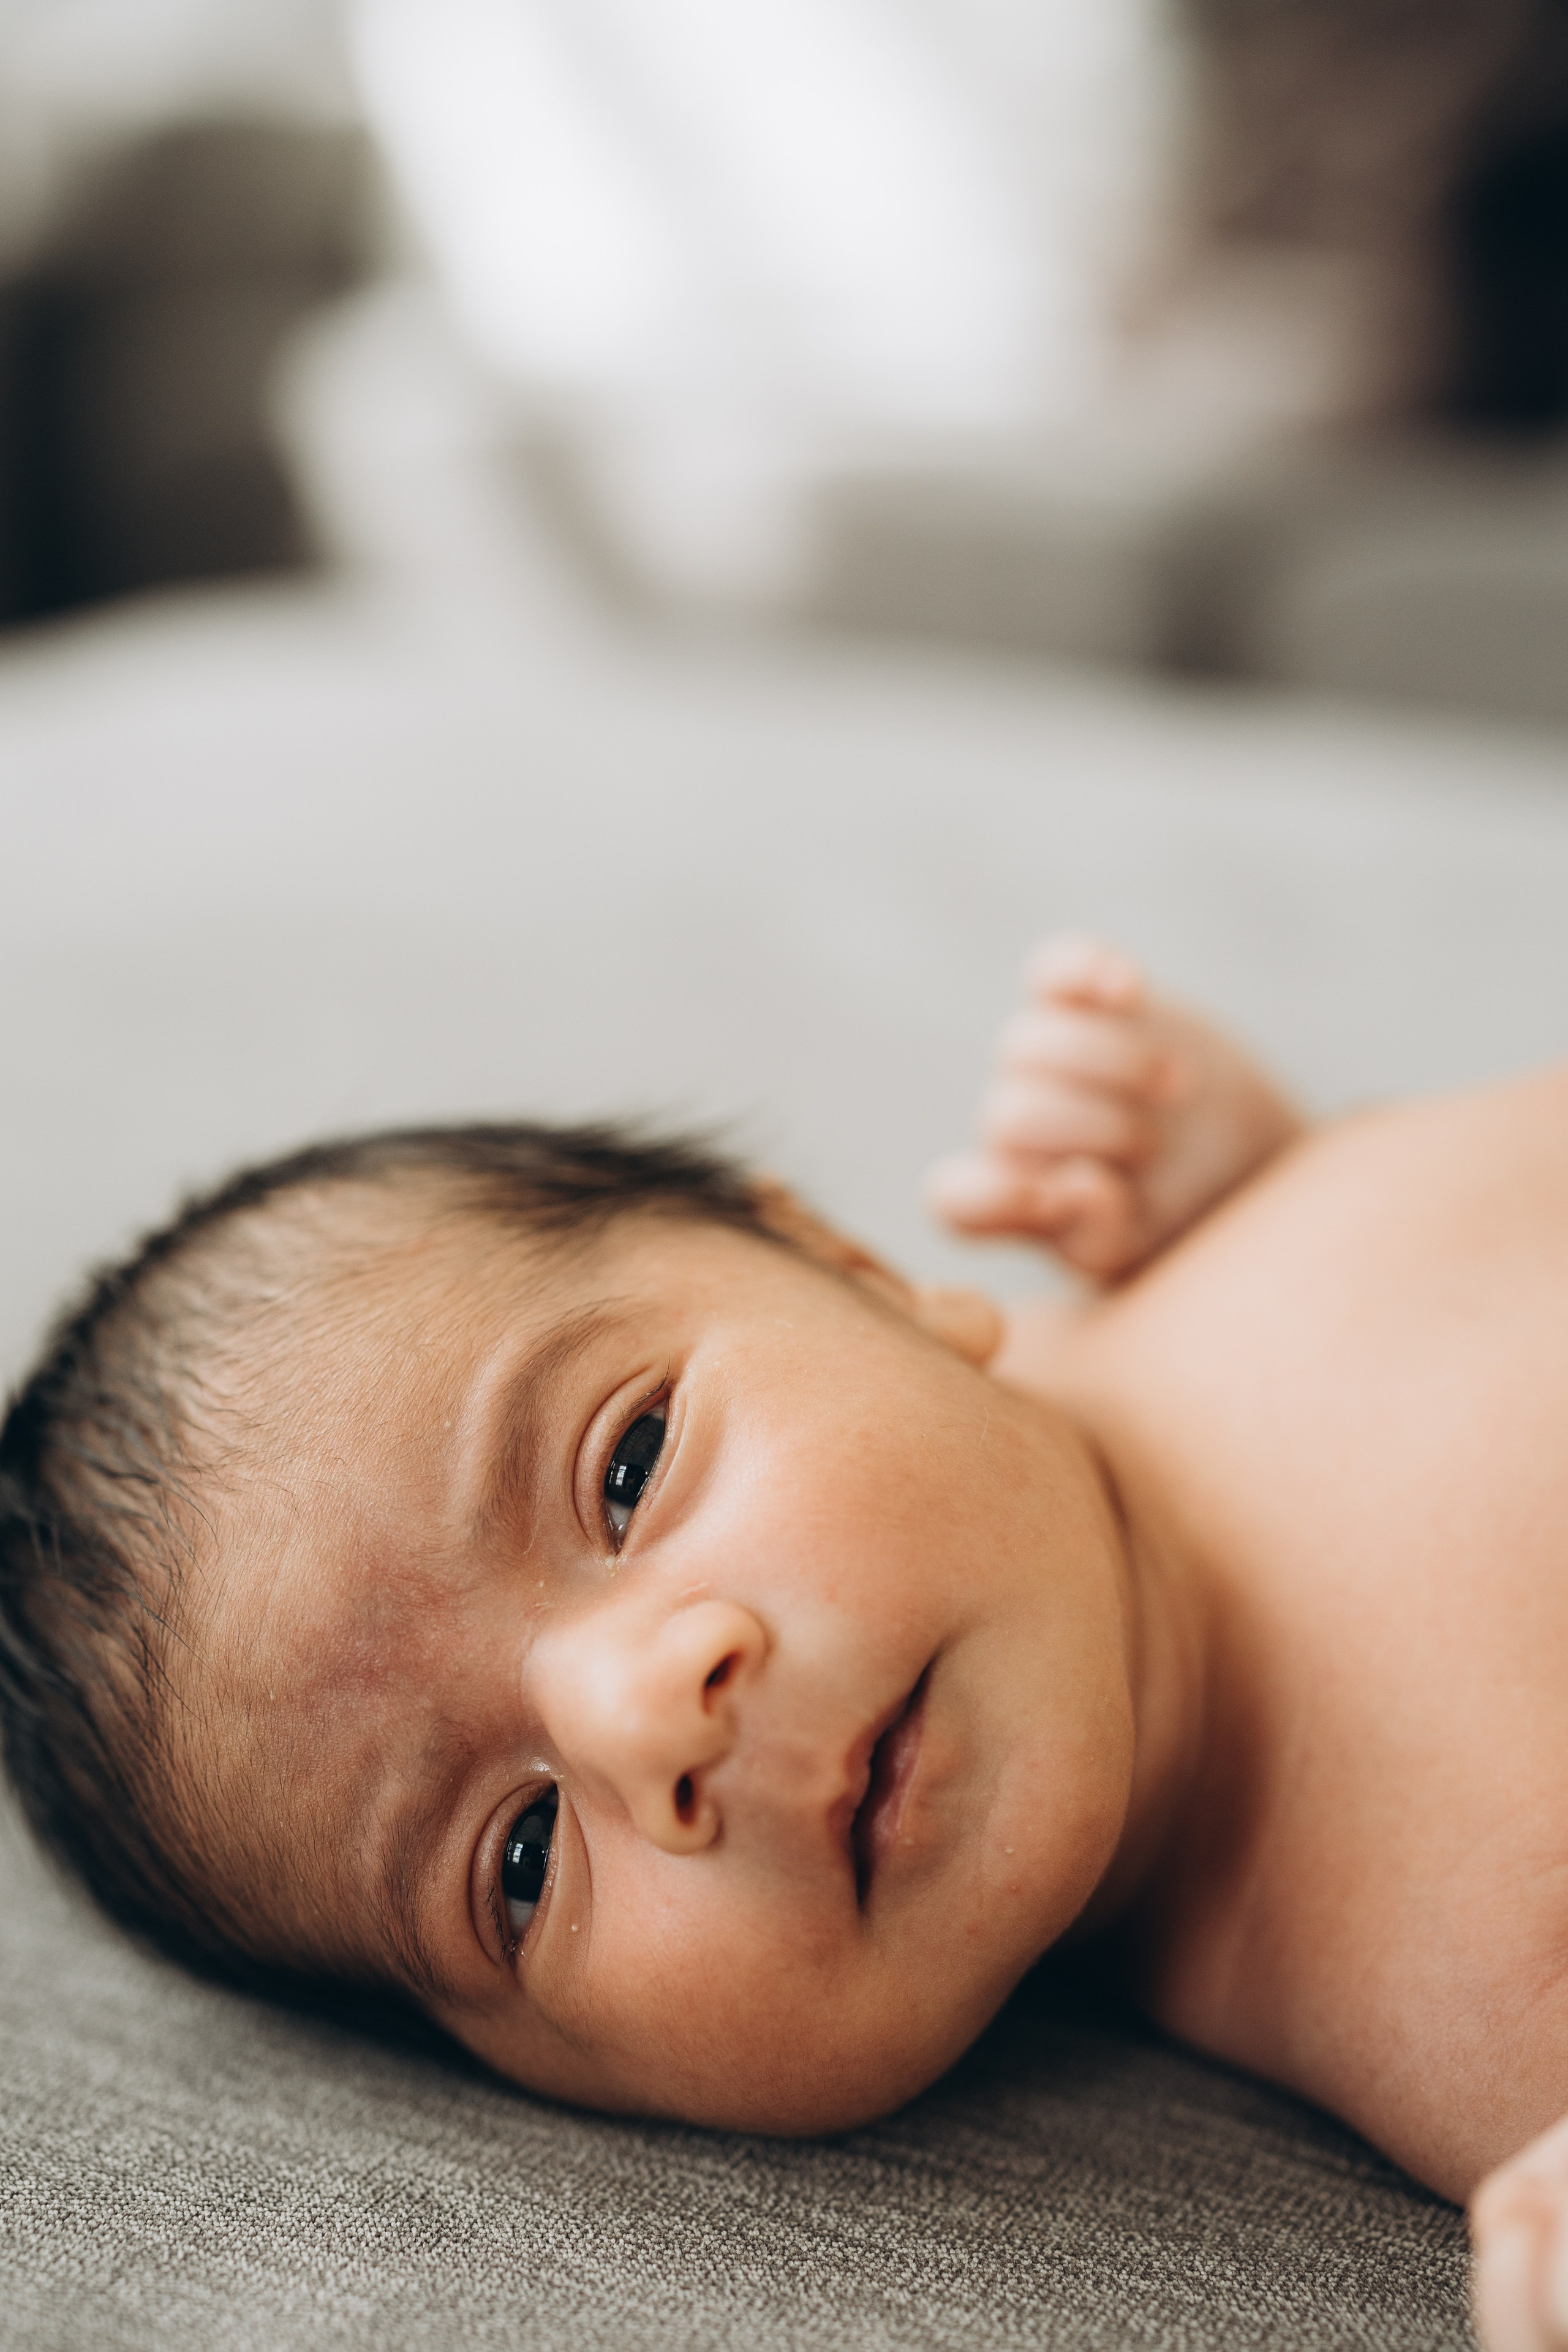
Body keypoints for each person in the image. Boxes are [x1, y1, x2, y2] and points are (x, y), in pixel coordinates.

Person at [2, 937, 1566, 2352]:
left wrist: (1279, 1165)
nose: (644, 1719)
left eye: (626, 1469)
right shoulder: (1479, 2009)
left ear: (853, 1269)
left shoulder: (1198, 1242)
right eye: (522, 1862)